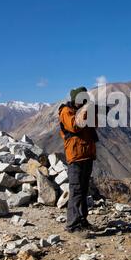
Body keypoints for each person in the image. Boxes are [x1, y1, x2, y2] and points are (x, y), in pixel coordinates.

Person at [58, 87, 99, 237]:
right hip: (75, 156)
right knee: (75, 190)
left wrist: (92, 112)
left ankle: (82, 221)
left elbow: (95, 125)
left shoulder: (83, 110)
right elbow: (75, 126)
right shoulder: (66, 111)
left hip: (87, 155)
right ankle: (72, 225)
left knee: (83, 190)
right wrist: (85, 111)